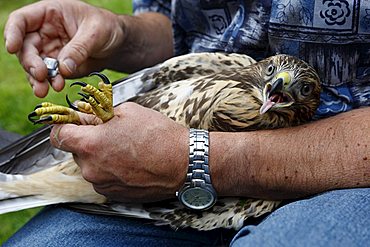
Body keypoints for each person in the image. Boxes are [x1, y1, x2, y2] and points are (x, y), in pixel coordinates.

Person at [3, 0, 369, 246]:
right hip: (155, 171)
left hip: (348, 181)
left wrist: (196, 160)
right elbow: (182, 28)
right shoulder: (238, 74)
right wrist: (123, 35)